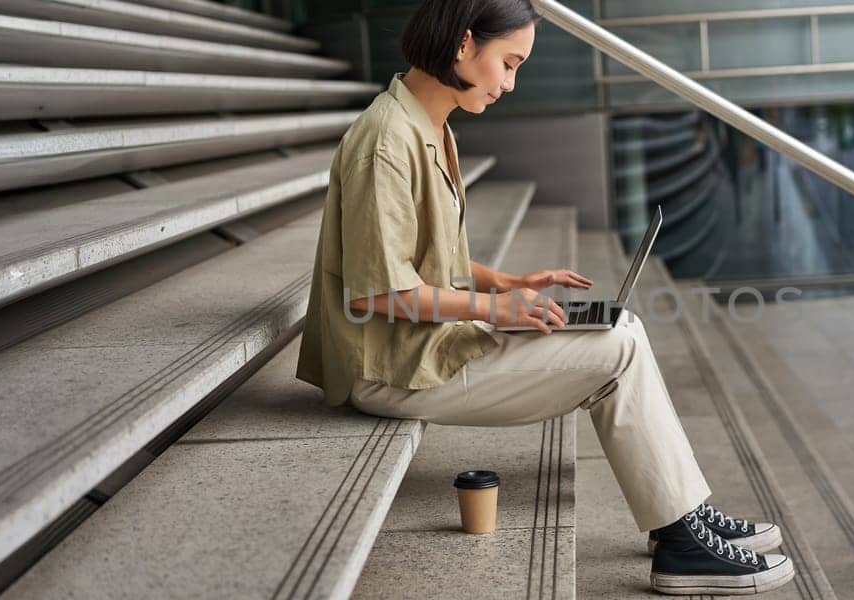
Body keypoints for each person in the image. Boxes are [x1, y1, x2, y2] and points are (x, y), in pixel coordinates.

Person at [294, 0, 795, 594]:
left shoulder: (427, 124)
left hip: (419, 344)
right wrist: (493, 310)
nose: (509, 84)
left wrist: (501, 282)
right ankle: (682, 538)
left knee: (623, 328)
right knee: (618, 351)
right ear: (463, 45)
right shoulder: (386, 141)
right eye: (508, 63)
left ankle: (684, 517)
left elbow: (411, 254)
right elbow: (381, 290)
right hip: (392, 368)